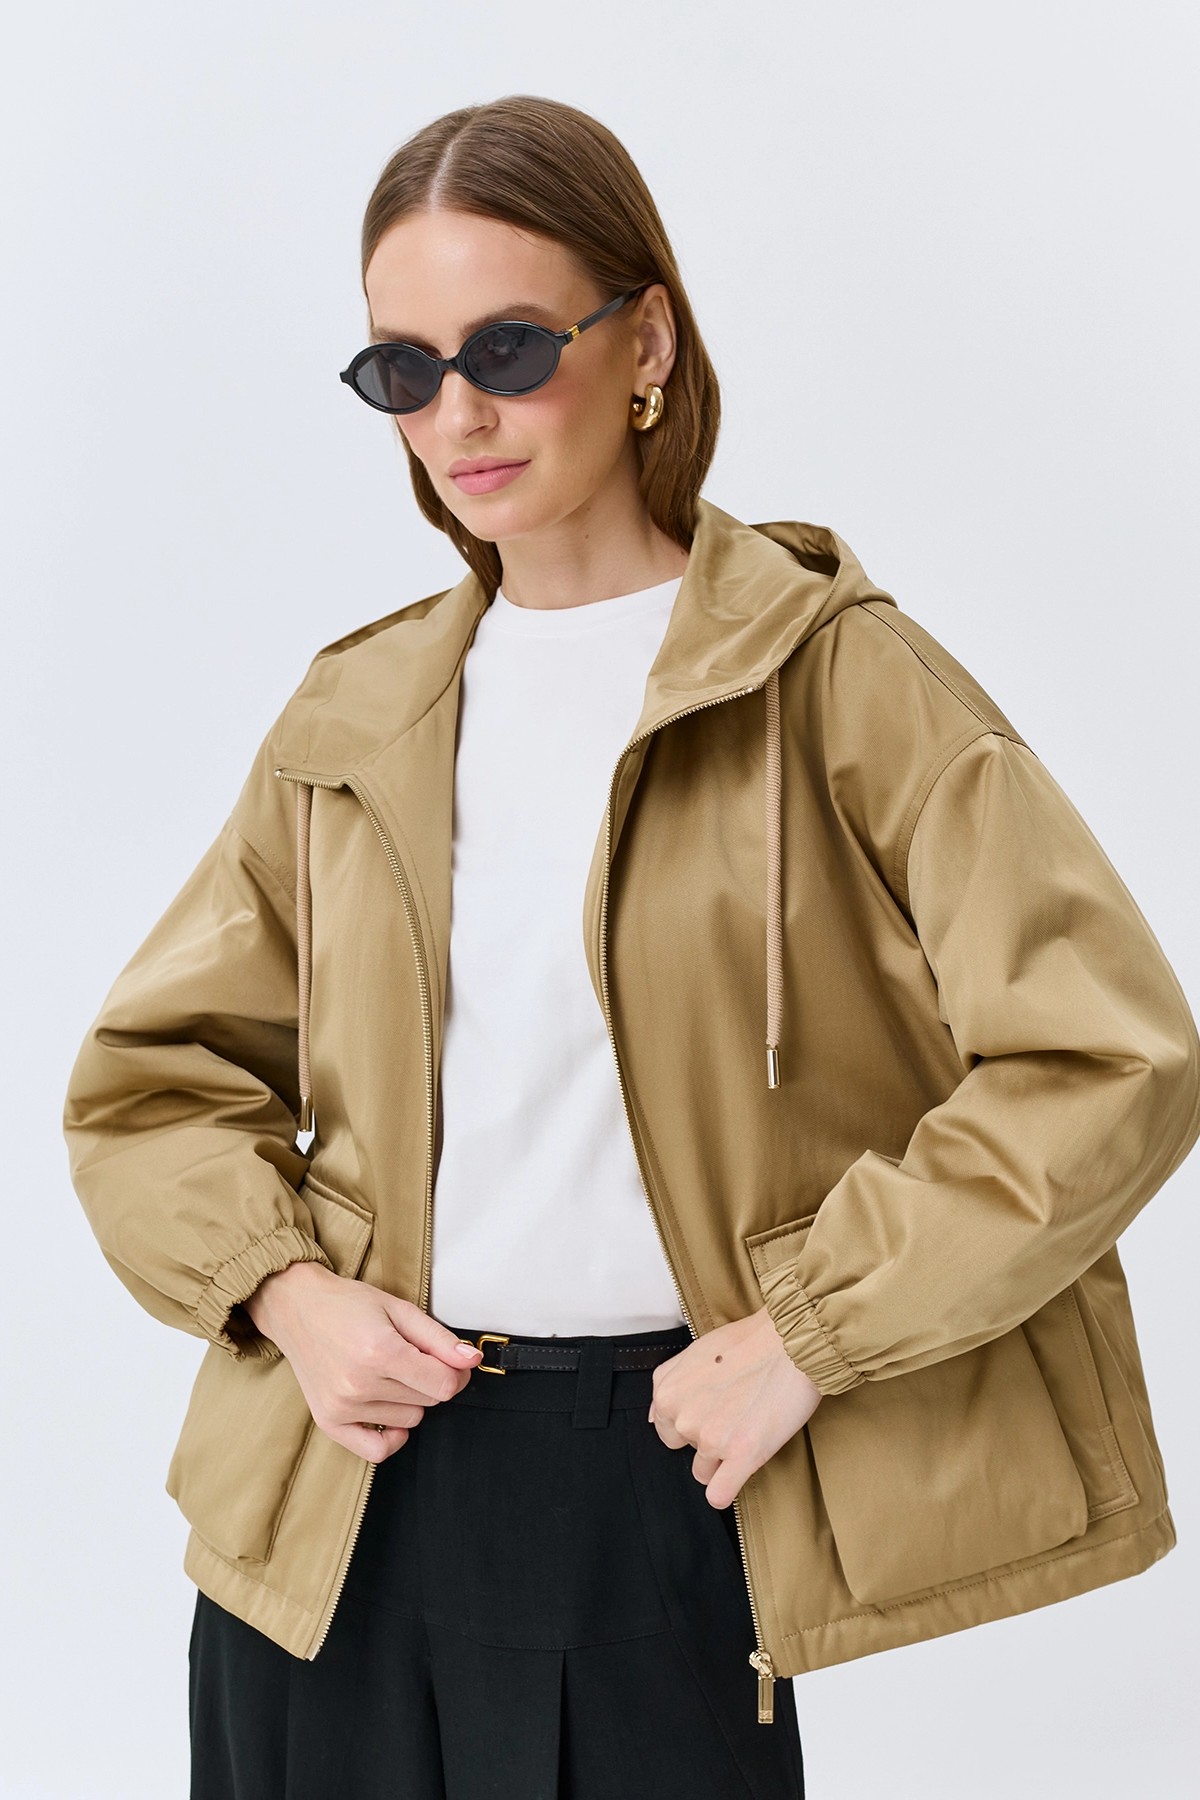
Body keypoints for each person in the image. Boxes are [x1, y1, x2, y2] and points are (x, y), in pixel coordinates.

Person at [62, 94, 1200, 1800]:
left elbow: (1109, 1057)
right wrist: (288, 1298)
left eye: (510, 349)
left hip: (659, 1489)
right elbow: (148, 1088)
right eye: (403, 370)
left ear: (646, 339)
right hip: (332, 1498)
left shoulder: (835, 679)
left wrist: (810, 1335)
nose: (458, 416)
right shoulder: (355, 712)